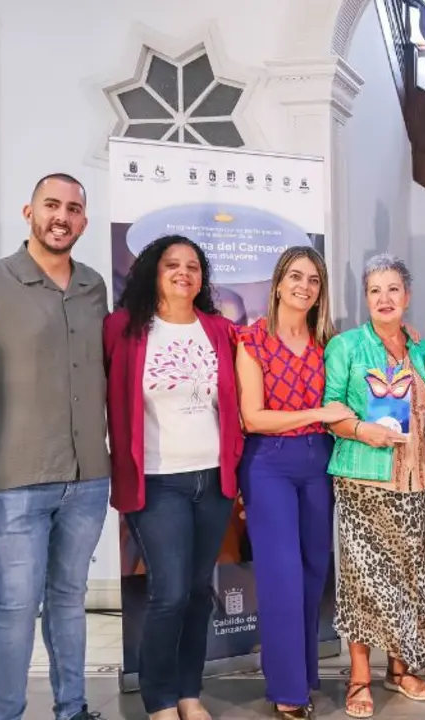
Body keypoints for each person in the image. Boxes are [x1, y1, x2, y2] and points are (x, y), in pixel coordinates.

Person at [0, 173, 111, 720]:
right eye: (51, 205)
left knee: (68, 601)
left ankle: (72, 709)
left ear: (84, 219)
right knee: (15, 608)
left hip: (87, 479)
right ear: (28, 212)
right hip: (13, 481)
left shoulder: (93, 286)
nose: (62, 217)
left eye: (74, 208)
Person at [103, 235, 242, 720]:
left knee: (201, 592)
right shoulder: (123, 328)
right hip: (157, 482)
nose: (184, 273)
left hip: (213, 481)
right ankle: (159, 697)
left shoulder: (219, 330)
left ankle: (189, 691)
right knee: (170, 593)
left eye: (193, 266)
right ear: (151, 271)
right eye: (171, 264)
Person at [235, 247, 351, 718]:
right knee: (281, 577)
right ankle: (286, 689)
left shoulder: (330, 343)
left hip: (318, 461)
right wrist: (317, 414)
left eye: (314, 280)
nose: (304, 286)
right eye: (296, 277)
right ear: (278, 284)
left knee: (311, 574)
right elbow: (253, 417)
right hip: (269, 464)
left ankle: (303, 676)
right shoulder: (252, 340)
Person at [323, 254, 425, 718]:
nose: (384, 298)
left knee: (408, 577)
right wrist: (360, 429)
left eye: (393, 289)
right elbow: (330, 409)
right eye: (375, 291)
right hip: (361, 478)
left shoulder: (422, 349)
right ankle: (359, 678)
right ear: (365, 299)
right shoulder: (347, 346)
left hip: (414, 479)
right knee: (362, 581)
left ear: (407, 296)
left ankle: (401, 667)